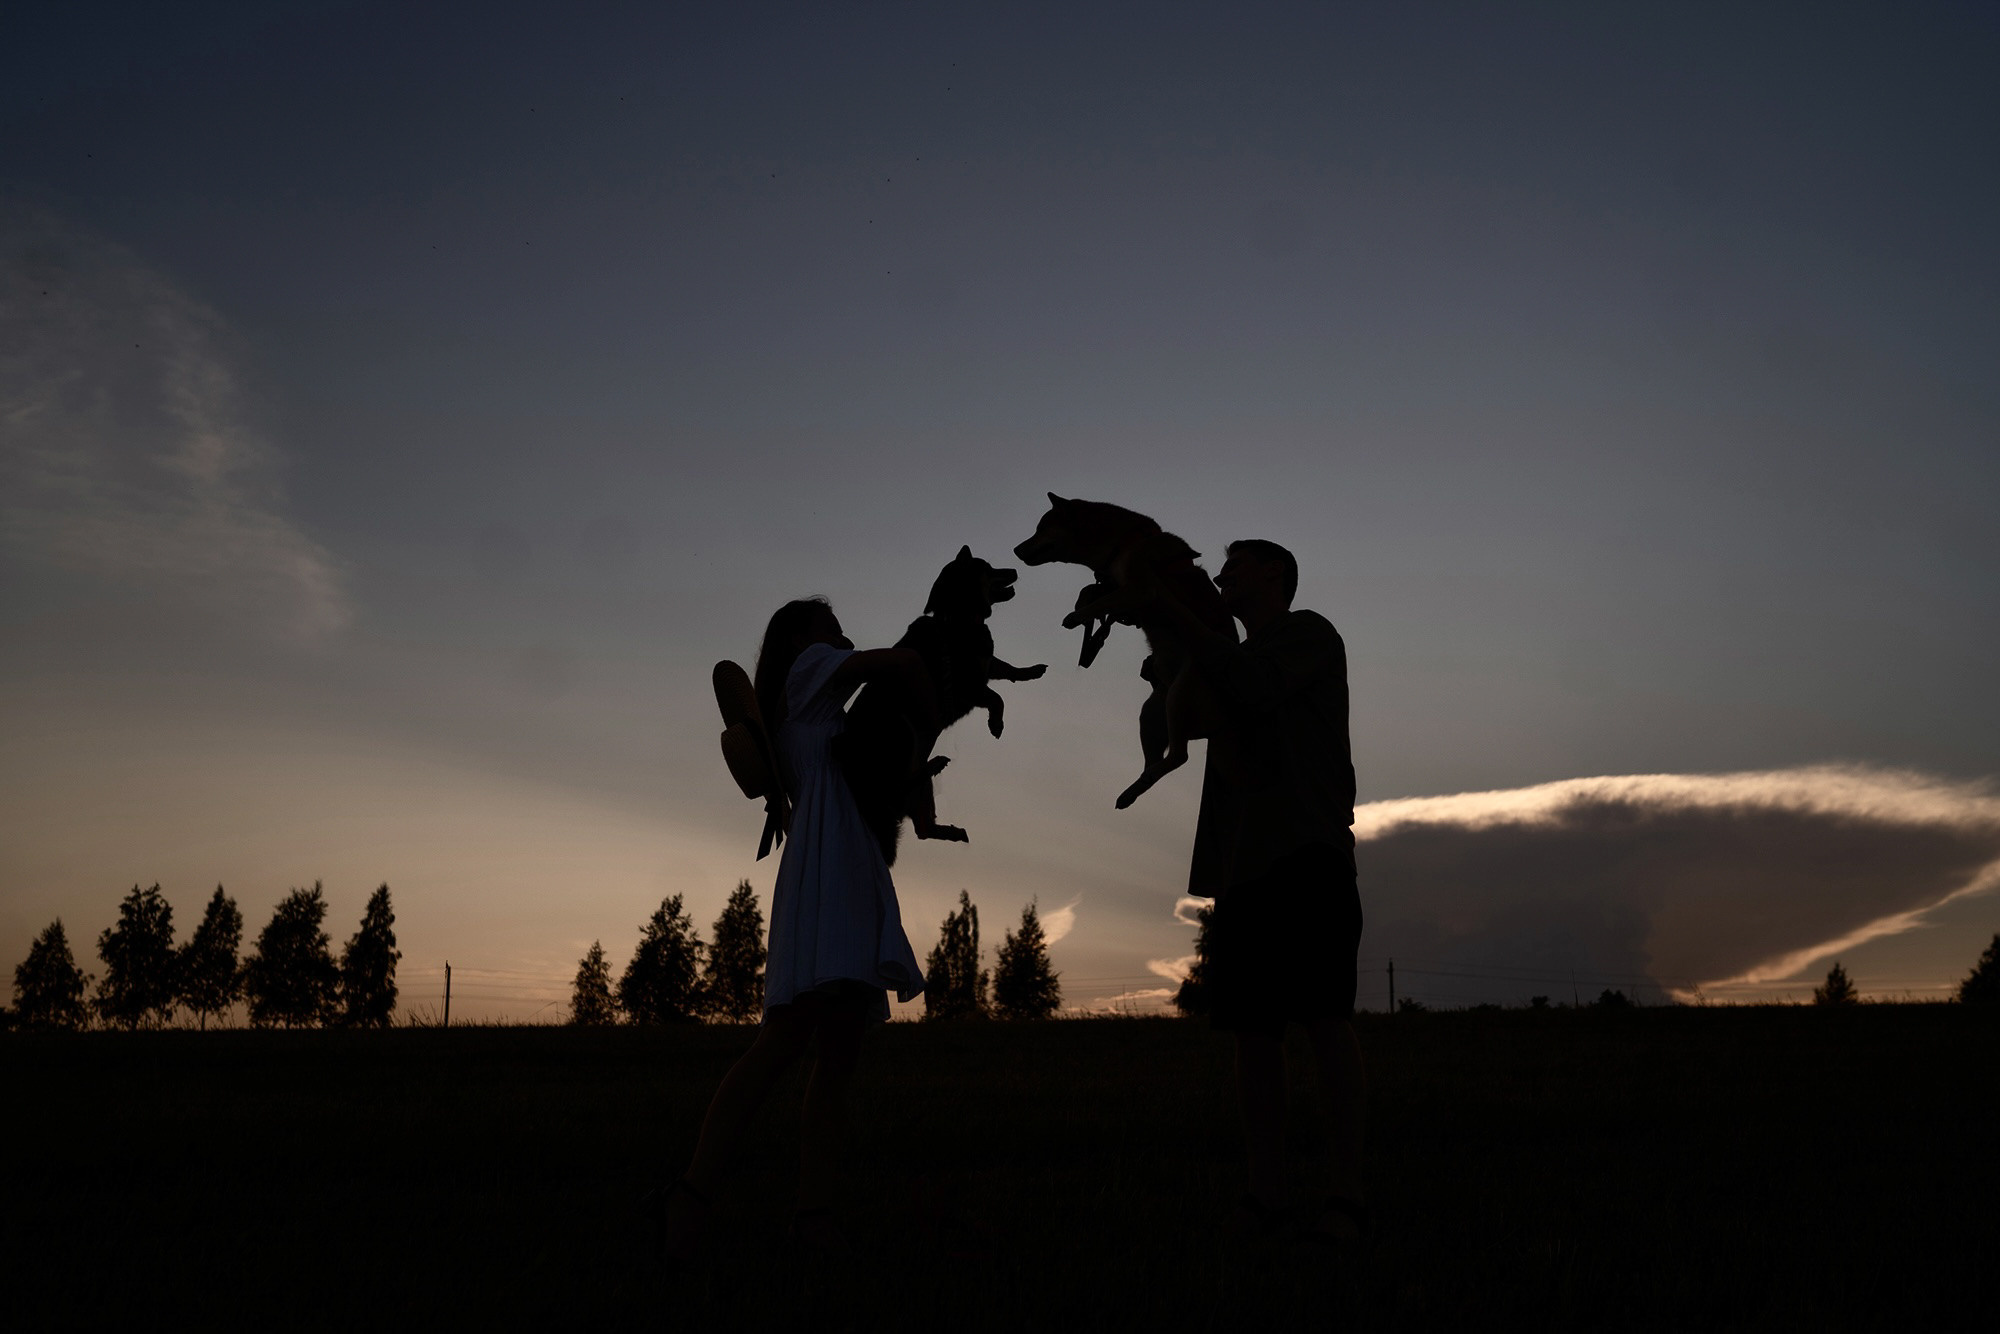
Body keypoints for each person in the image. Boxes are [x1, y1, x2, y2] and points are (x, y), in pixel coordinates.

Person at [656, 597, 936, 1259]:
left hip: (838, 862)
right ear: (800, 639)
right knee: (786, 1041)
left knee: (834, 1053)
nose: (841, 633)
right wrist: (930, 686)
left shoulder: (808, 709)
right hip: (830, 867)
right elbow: (897, 663)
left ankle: (811, 1217)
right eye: (830, 625)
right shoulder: (811, 671)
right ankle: (692, 1195)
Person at [1149, 538, 1366, 1242]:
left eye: (1235, 563)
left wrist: (1179, 620)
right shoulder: (1224, 654)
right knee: (1252, 1032)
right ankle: (1266, 1195)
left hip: (1307, 855)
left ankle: (1347, 1194)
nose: (1220, 574)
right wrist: (1167, 656)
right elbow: (1184, 717)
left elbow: (1254, 687)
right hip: (1242, 868)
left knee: (1325, 1020)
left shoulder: (1307, 634)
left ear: (1275, 573)